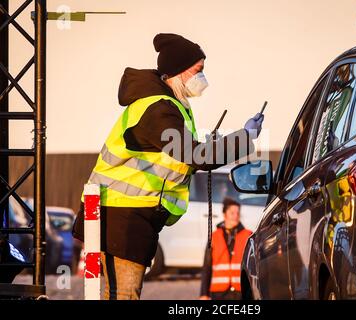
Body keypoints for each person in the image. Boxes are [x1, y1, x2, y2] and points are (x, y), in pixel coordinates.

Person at [72, 33, 264, 300]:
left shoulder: (168, 106)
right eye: (198, 71)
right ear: (178, 72)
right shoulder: (158, 110)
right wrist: (245, 137)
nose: (202, 78)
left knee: (117, 294)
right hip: (123, 216)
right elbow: (195, 155)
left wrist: (225, 142)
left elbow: (185, 154)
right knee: (124, 295)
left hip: (126, 215)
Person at [199, 198, 252, 300]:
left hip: (241, 292)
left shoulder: (248, 235)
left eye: (238, 213)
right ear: (224, 215)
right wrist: (203, 294)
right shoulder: (213, 236)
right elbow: (207, 267)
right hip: (219, 293)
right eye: (232, 213)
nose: (236, 216)